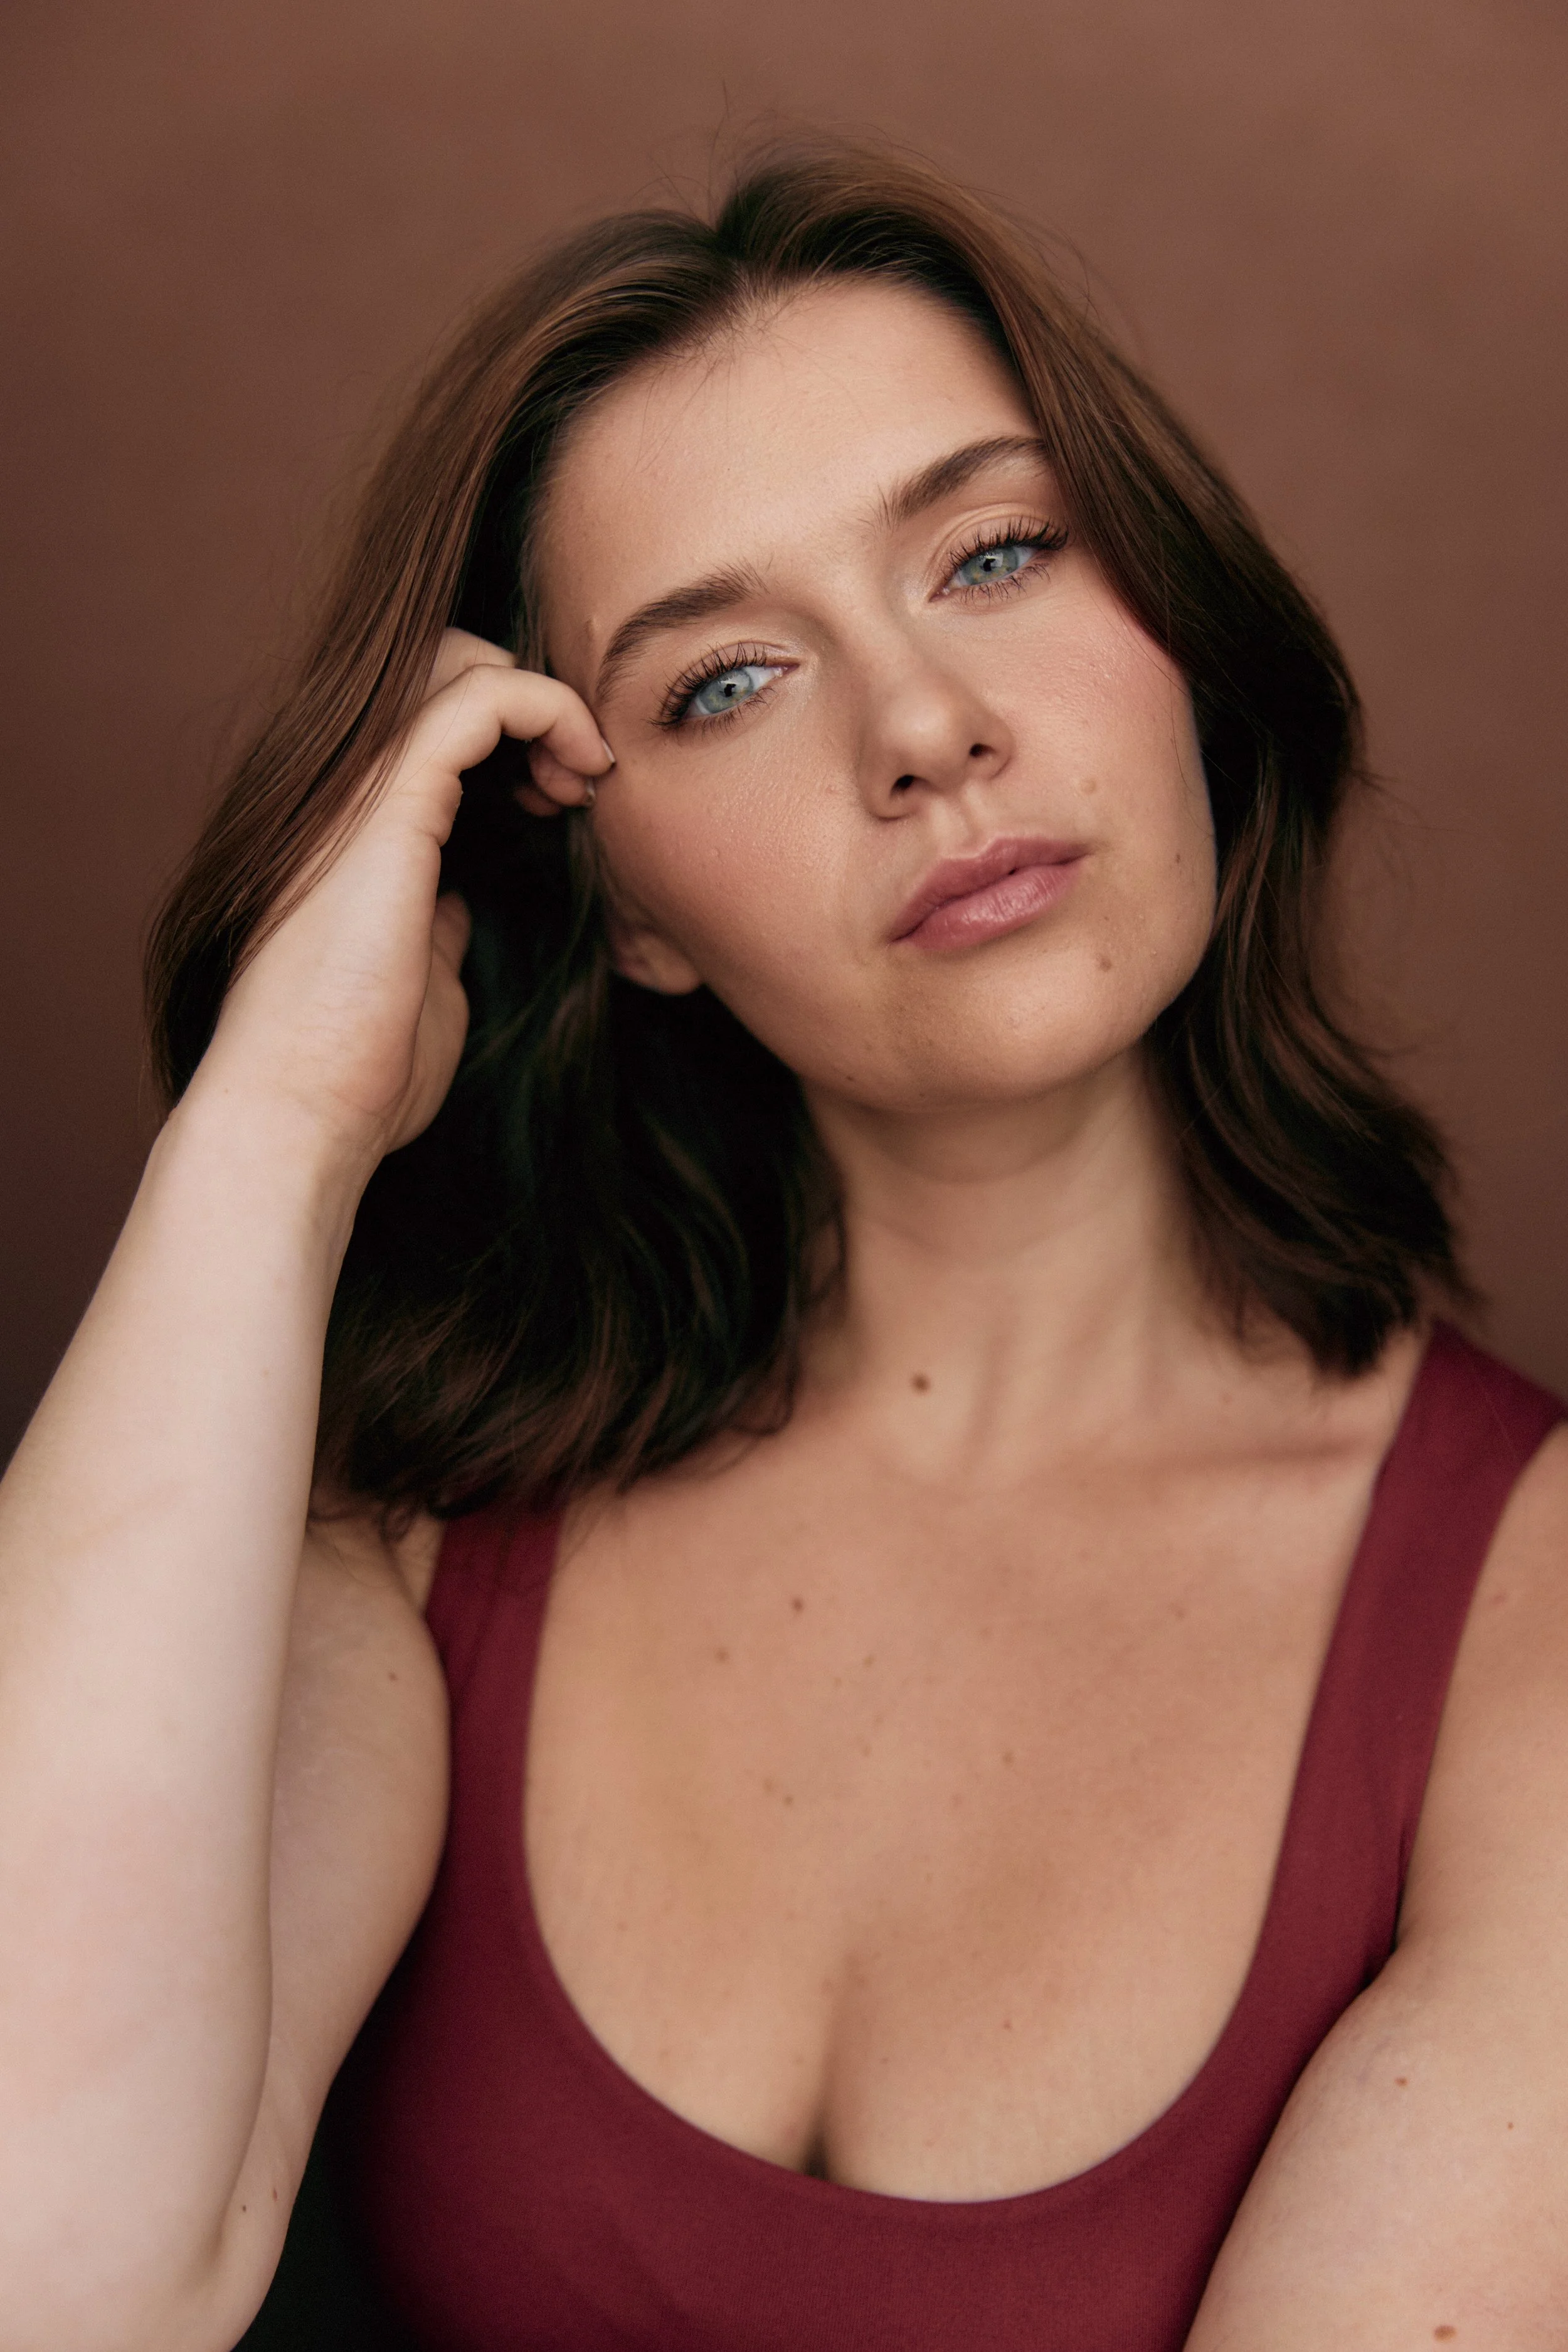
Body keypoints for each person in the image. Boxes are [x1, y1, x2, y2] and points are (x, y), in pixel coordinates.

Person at [3, 137, 1566, 2352]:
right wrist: (274, 1136)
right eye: (725, 681)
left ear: (1183, 639)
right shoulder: (417, 1531)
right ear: (619, 900)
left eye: (996, 552)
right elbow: (42, 2260)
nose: (927, 730)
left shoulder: (1530, 1627)